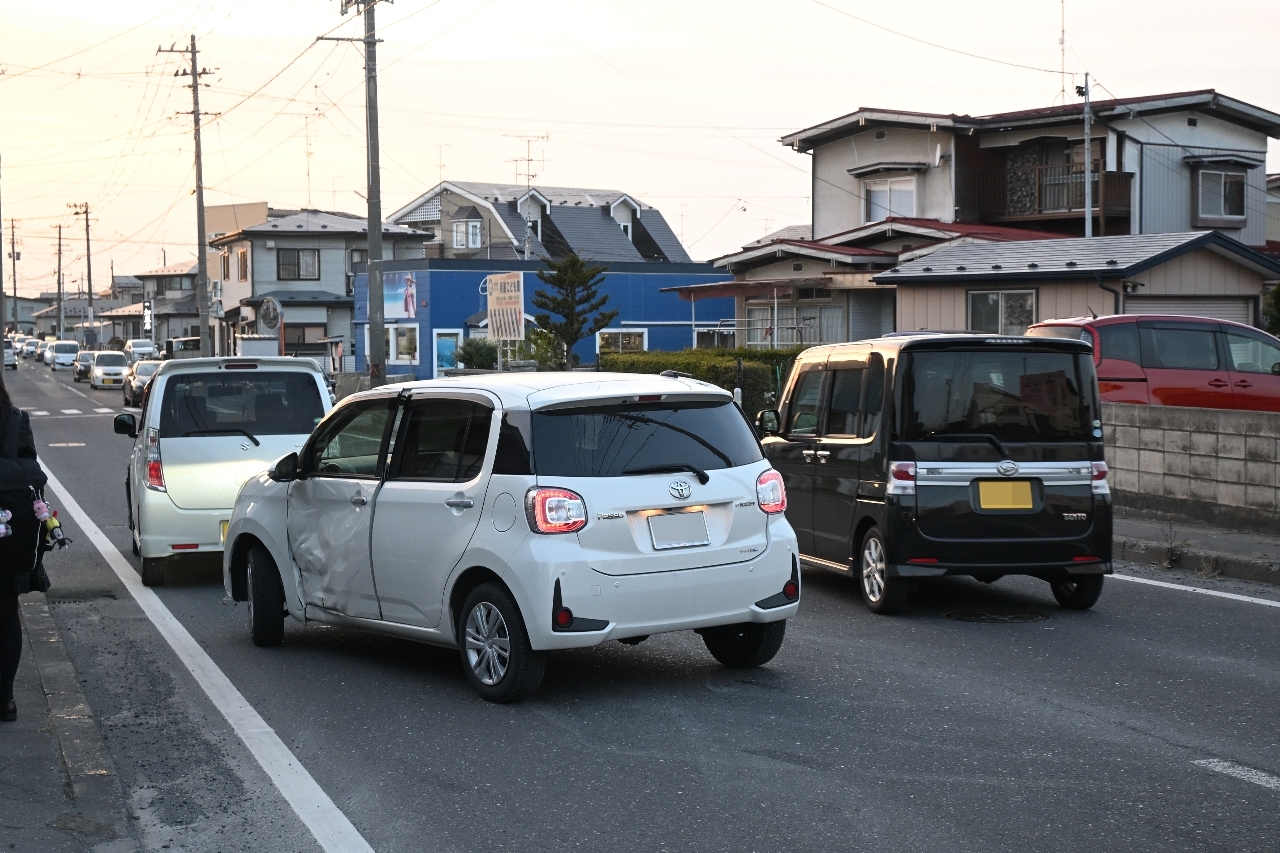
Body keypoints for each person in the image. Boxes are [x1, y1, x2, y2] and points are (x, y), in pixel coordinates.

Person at [0, 367, 49, 722]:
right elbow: (31, 468)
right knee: (6, 614)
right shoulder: (16, 420)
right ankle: (6, 699)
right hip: (10, 534)